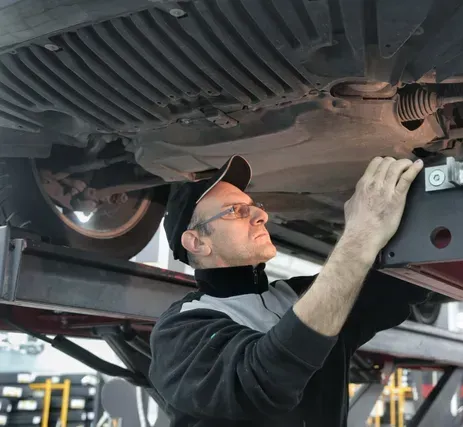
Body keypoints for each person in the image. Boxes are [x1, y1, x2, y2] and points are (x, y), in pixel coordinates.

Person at [149, 154, 429, 426]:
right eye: (235, 210)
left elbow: (403, 284)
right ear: (196, 243)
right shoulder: (181, 330)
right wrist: (360, 234)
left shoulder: (297, 297)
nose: (261, 214)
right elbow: (265, 379)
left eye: (254, 205)